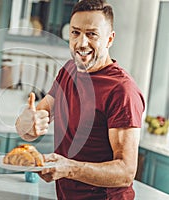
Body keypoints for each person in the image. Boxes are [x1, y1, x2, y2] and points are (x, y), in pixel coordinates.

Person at [15, 0, 145, 199]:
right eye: (75, 33)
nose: (82, 43)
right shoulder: (69, 71)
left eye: (92, 34)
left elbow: (126, 173)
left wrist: (69, 168)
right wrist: (25, 123)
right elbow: (35, 122)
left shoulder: (121, 90)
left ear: (110, 39)